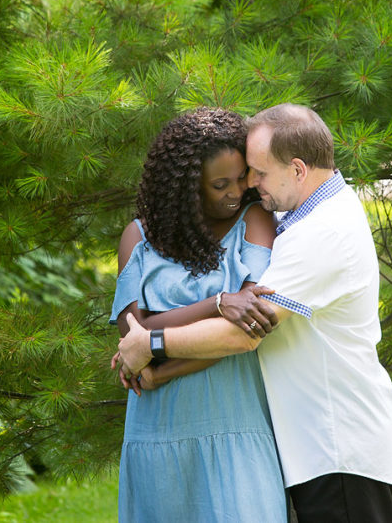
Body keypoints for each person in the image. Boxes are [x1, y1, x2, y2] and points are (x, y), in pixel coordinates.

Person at [117, 103, 392, 523]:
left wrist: (150, 348)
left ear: (299, 170)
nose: (250, 185)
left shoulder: (321, 233)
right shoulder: (308, 213)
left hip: (337, 449)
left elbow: (244, 334)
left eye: (260, 173)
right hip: (319, 449)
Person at [109, 107, 287, 523]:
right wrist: (219, 303)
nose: (236, 191)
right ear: (187, 189)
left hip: (236, 423)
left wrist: (161, 369)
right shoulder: (138, 237)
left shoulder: (255, 220)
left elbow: (246, 333)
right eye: (220, 184)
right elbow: (133, 337)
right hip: (157, 434)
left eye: (242, 177)